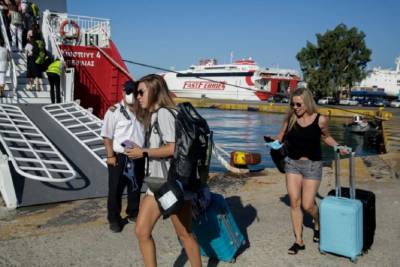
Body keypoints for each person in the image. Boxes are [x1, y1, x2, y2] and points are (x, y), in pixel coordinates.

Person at [125, 74, 202, 267]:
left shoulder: (165, 114)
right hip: (158, 183)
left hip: (173, 185)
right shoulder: (155, 115)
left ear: (155, 91)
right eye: (136, 93)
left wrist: (143, 152)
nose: (138, 96)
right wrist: (143, 149)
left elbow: (173, 148)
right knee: (142, 231)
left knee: (185, 234)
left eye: (141, 92)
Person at [268, 87, 348, 255]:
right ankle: (299, 240)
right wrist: (273, 142)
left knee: (307, 205)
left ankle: (317, 222)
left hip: (313, 165)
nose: (295, 107)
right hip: (292, 164)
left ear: (307, 102)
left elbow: (326, 137)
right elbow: (280, 135)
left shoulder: (320, 120)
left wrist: (338, 147)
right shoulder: (290, 118)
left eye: (298, 104)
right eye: (292, 104)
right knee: (295, 202)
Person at [100, 80, 146, 233]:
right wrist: (110, 156)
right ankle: (113, 219)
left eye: (134, 91)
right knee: (115, 190)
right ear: (123, 92)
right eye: (128, 91)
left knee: (135, 186)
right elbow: (107, 136)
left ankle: (133, 213)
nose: (131, 94)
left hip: (138, 155)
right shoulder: (114, 111)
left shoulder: (143, 111)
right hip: (119, 157)